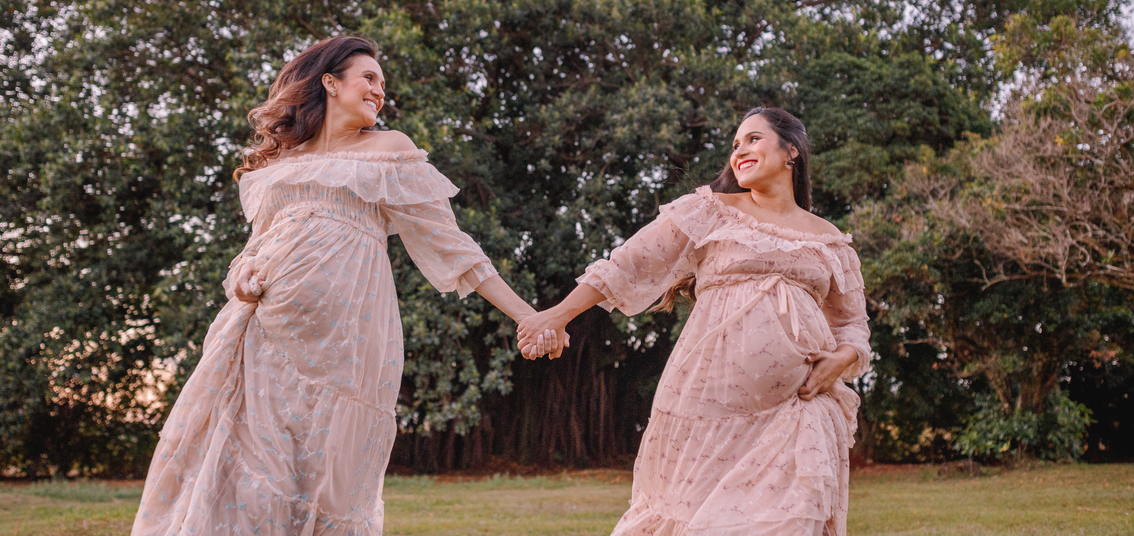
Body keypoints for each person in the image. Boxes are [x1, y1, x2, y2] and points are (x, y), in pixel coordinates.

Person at [132, 35, 555, 536]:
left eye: (383, 84)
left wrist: (527, 314)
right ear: (331, 83)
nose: (379, 92)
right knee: (253, 471)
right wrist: (239, 280)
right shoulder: (280, 164)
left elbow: (455, 248)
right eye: (369, 78)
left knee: (330, 480)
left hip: (348, 346)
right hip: (267, 335)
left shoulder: (389, 151)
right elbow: (251, 251)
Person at [518, 107, 870, 536]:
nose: (740, 150)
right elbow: (627, 265)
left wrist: (844, 358)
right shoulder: (709, 211)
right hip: (706, 409)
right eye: (735, 144)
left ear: (791, 151)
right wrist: (558, 315)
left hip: (797, 408)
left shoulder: (829, 239)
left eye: (754, 139)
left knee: (789, 522)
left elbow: (853, 324)